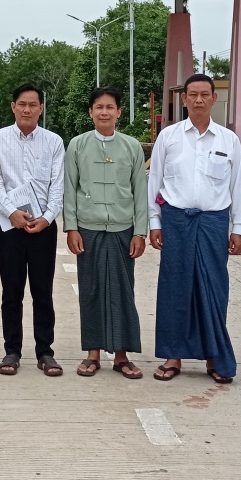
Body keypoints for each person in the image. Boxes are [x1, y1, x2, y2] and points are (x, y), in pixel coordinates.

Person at [147, 74, 241, 383]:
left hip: (213, 222)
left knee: (213, 289)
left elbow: (239, 186)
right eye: (193, 94)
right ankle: (172, 355)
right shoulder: (169, 136)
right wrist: (154, 221)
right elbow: (155, 182)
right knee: (175, 288)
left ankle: (214, 357)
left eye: (205, 94)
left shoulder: (228, 140)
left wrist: (239, 227)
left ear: (214, 99)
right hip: (175, 220)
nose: (199, 100)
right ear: (185, 99)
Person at [63, 87, 148, 379]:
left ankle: (122, 356)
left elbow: (140, 192)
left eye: (110, 107)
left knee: (123, 290)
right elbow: (69, 190)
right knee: (91, 290)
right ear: (90, 112)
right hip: (89, 228)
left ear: (119, 112)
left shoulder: (132, 146)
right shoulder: (77, 145)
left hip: (124, 229)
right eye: (98, 107)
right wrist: (71, 227)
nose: (104, 112)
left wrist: (140, 231)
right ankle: (93, 354)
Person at [0, 83, 66, 377]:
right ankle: (12, 350)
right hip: (9, 227)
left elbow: (58, 187)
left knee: (43, 291)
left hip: (44, 227)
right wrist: (12, 213)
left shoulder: (54, 142)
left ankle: (45, 351)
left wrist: (46, 217)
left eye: (33, 104)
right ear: (13, 107)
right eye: (22, 104)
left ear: (41, 108)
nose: (27, 109)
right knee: (12, 291)